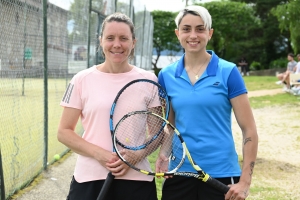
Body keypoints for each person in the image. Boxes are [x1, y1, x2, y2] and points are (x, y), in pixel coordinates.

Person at [158, 5, 258, 200]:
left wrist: (245, 182)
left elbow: (249, 130)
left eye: (200, 29)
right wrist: (164, 154)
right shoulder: (166, 75)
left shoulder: (228, 72)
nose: (193, 35)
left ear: (210, 33)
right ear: (178, 33)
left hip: (221, 173)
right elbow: (170, 125)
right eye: (186, 29)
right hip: (179, 172)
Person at [57, 12, 158, 200]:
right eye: (110, 38)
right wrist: (100, 154)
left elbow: (157, 133)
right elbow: (63, 132)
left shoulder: (149, 80)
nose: (117, 44)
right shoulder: (81, 79)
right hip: (89, 179)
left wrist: (137, 155)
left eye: (124, 38)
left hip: (137, 179)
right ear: (100, 41)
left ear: (133, 42)